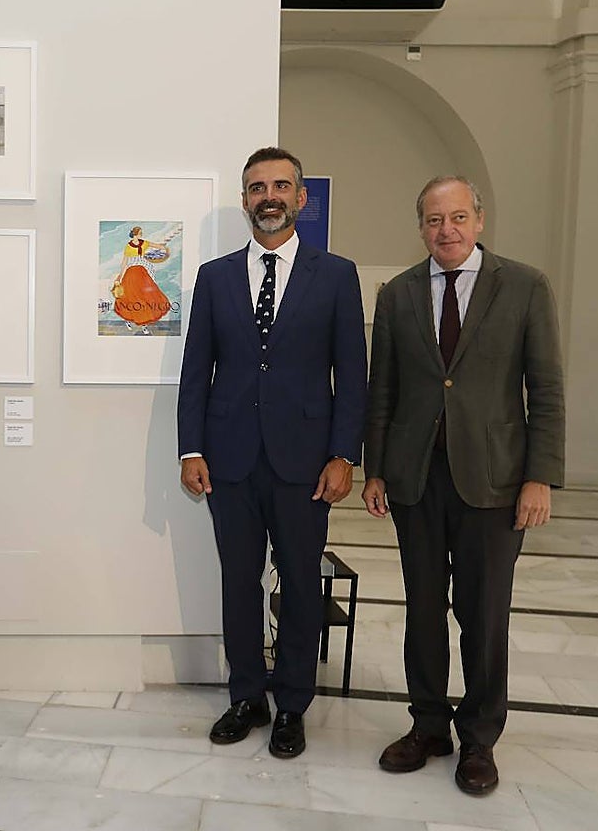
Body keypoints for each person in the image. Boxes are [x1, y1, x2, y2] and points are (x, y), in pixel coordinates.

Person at [363, 176, 565, 795]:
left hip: (496, 483)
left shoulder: (525, 286)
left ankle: (479, 740)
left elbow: (546, 388)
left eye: (456, 218)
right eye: (432, 220)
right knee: (422, 609)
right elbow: (384, 391)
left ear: (479, 220)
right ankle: (427, 725)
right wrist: (375, 468)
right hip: (415, 480)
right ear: (420, 226)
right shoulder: (397, 294)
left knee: (483, 614)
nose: (444, 230)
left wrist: (539, 477)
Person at [178, 146, 367, 760]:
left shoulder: (336, 275)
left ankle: (291, 705)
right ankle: (246, 696)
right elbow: (195, 373)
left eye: (281, 186)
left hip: (306, 463)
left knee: (302, 586)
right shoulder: (215, 276)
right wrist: (191, 448)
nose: (269, 197)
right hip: (229, 459)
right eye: (257, 187)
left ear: (300, 198)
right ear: (244, 200)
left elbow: (353, 375)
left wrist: (343, 454)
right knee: (238, 582)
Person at [111, 225, 173, 333]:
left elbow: (156, 245)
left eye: (141, 233)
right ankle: (128, 320)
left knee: (146, 296)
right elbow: (124, 262)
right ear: (135, 234)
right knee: (130, 298)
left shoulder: (144, 243)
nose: (141, 235)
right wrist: (120, 276)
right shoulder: (128, 247)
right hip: (131, 273)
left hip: (143, 271)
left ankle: (144, 324)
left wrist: (164, 248)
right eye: (140, 233)